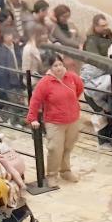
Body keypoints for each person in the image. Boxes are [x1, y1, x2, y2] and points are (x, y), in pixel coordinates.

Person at [26, 51, 84, 187]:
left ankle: (65, 171)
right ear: (50, 68)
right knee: (55, 149)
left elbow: (79, 88)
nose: (59, 68)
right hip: (54, 122)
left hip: (73, 119)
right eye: (55, 65)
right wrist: (32, 118)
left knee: (68, 147)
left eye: (60, 64)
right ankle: (52, 174)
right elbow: (35, 100)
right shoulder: (45, 83)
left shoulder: (72, 77)